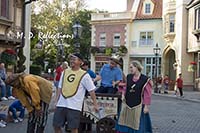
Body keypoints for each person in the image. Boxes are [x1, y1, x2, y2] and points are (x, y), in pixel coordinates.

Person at [53, 53, 98, 133]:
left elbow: (91, 90)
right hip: (61, 103)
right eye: (71, 59)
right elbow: (60, 87)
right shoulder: (65, 72)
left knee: (73, 128)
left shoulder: (85, 75)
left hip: (74, 105)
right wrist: (56, 101)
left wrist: (95, 104)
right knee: (56, 125)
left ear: (80, 62)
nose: (72, 61)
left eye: (74, 59)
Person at [115, 60, 153, 133]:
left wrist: (146, 106)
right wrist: (123, 94)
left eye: (131, 67)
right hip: (127, 104)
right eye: (130, 68)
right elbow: (126, 87)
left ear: (137, 67)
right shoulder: (129, 77)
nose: (130, 69)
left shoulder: (145, 79)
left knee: (137, 123)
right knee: (124, 120)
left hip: (138, 105)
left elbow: (147, 94)